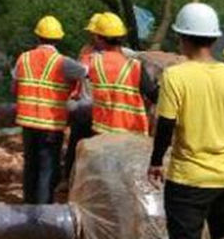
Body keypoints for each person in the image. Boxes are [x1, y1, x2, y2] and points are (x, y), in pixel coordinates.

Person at [148, 3, 224, 239]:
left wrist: (156, 161)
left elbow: (166, 124)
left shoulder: (175, 76)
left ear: (183, 38)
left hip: (188, 180)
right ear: (214, 39)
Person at [12, 15, 86, 203]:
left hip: (27, 121)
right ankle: (43, 211)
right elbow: (86, 72)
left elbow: (14, 88)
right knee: (47, 168)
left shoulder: (23, 58)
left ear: (37, 36)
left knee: (31, 165)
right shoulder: (63, 62)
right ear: (58, 38)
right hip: (51, 124)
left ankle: (28, 204)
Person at [88, 12, 158, 136]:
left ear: (98, 37)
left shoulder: (94, 63)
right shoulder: (135, 66)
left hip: (101, 132)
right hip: (131, 134)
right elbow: (154, 96)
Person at [63, 12, 104, 183]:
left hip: (101, 108)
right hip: (84, 105)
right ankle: (69, 179)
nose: (90, 36)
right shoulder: (86, 50)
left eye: (93, 33)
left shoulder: (116, 55)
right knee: (76, 143)